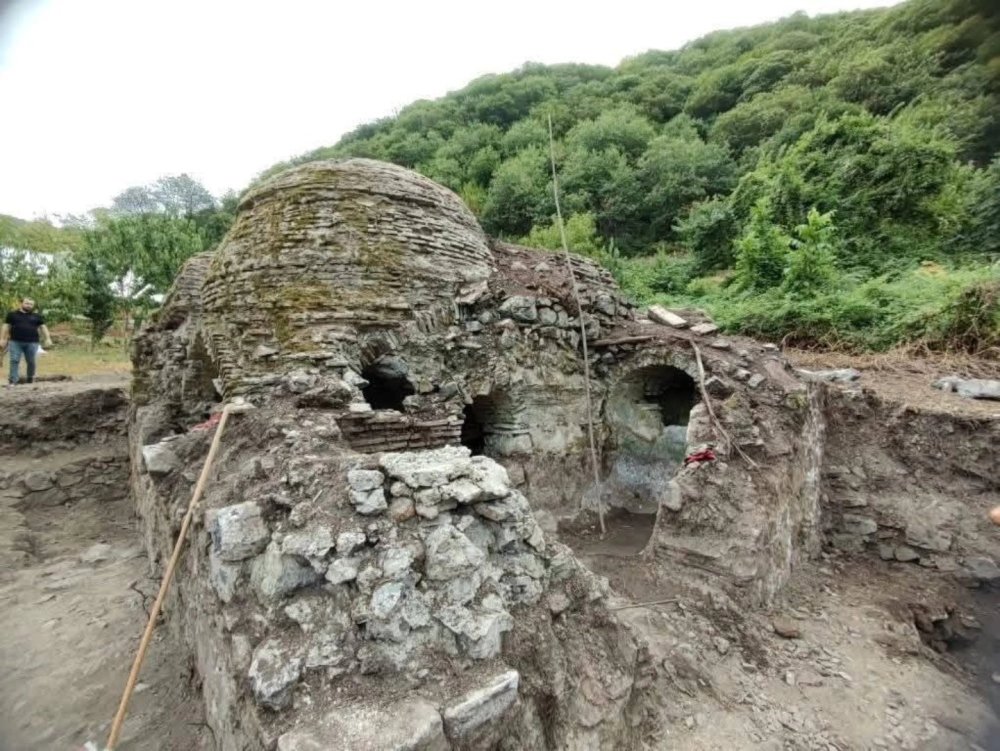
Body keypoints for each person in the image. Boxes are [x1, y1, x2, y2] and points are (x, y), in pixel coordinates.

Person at [1, 297, 53, 385]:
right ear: (21, 303)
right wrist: (2, 339)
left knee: (31, 361)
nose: (29, 306)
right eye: (27, 303)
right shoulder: (12, 314)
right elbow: (6, 326)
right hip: (15, 341)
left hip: (32, 342)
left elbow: (43, 327)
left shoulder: (36, 316)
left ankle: (30, 379)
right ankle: (13, 381)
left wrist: (48, 338)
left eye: (31, 304)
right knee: (14, 360)